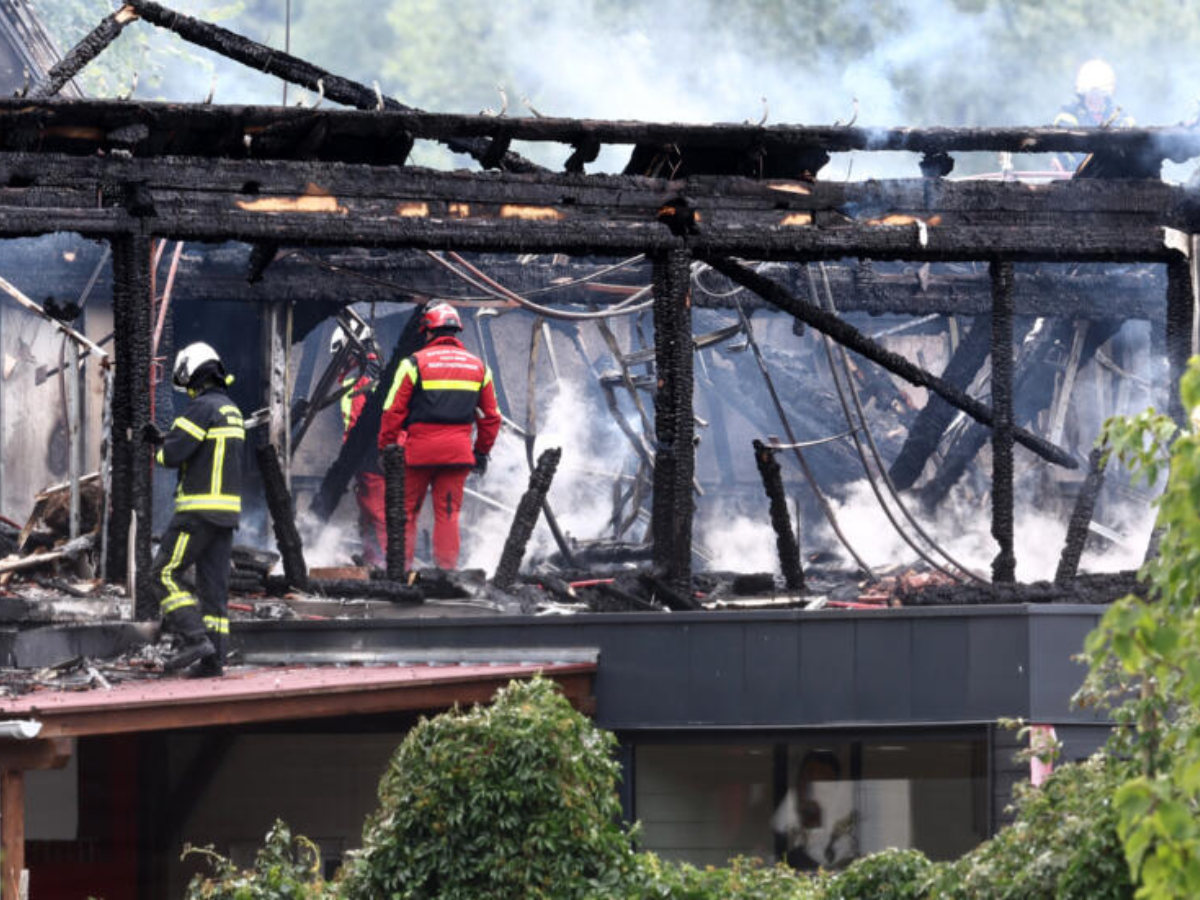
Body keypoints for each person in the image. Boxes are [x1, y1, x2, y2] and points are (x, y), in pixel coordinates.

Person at [143, 342, 244, 677]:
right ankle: (214, 661)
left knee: (163, 573)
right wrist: (166, 439)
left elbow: (173, 455)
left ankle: (194, 638)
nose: (187, 392)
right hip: (226, 516)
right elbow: (197, 447)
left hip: (197, 512)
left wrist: (155, 448)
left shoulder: (201, 409)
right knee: (213, 592)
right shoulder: (230, 409)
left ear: (194, 375)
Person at [378, 302, 501, 570]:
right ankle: (446, 575)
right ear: (456, 331)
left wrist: (386, 447)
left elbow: (392, 411)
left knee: (405, 515)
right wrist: (481, 452)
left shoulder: (413, 364)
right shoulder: (479, 367)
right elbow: (491, 418)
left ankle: (400, 574)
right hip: (457, 455)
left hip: (417, 454)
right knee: (448, 515)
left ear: (428, 331)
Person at [331, 320, 385, 567]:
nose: (340, 366)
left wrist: (347, 462)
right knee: (370, 512)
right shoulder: (377, 373)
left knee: (376, 512)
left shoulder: (361, 380)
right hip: (376, 454)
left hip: (370, 456)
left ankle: (384, 565)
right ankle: (374, 559)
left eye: (342, 358)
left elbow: (356, 425)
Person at [1052, 59, 1135, 173]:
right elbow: (1068, 160)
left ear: (1107, 94)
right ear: (1083, 92)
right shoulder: (1067, 117)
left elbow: (1132, 151)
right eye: (1091, 93)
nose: (1095, 98)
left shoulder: (1120, 117)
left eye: (1099, 94)